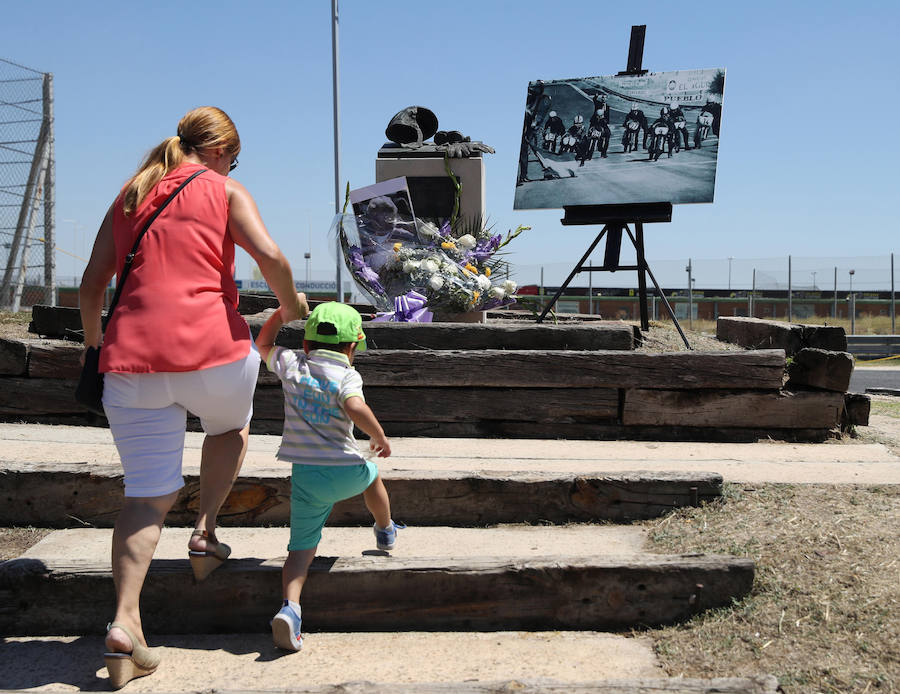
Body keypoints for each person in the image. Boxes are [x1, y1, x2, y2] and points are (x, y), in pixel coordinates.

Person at [79, 106, 306, 689]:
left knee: (145, 497)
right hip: (212, 350)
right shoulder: (225, 190)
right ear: (221, 150)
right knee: (229, 428)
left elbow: (91, 282)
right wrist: (293, 306)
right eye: (234, 154)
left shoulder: (132, 192)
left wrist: (93, 346)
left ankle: (126, 622)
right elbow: (272, 258)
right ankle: (205, 531)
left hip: (130, 361)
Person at [255, 301, 400, 652]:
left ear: (305, 345)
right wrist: (378, 436)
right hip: (347, 469)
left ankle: (291, 608)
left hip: (306, 474)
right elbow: (354, 406)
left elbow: (262, 344)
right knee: (373, 477)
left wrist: (279, 315)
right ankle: (385, 529)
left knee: (300, 550)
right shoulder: (348, 375)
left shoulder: (291, 364)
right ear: (353, 348)